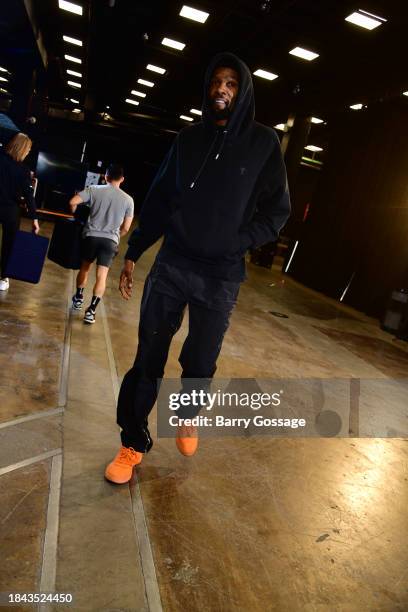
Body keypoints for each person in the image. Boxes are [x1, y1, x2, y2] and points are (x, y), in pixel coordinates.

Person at [105, 52, 291, 484]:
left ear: (242, 91)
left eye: (231, 83)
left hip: (221, 275)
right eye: (216, 82)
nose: (221, 90)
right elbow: (158, 199)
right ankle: (132, 443)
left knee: (200, 361)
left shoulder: (264, 143)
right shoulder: (187, 140)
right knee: (147, 357)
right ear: (207, 88)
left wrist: (238, 242)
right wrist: (134, 251)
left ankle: (187, 415)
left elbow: (276, 212)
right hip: (173, 264)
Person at [69, 164, 134, 324]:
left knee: (85, 268)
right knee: (101, 276)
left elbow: (73, 201)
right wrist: (116, 236)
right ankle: (91, 311)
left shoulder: (94, 189)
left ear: (105, 177)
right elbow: (126, 227)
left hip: (91, 236)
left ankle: (78, 298)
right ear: (122, 179)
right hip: (110, 241)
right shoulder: (128, 200)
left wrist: (74, 212)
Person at [0, 133, 39, 291]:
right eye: (28, 149)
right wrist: (34, 218)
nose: (28, 152)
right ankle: (3, 277)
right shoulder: (24, 170)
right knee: (9, 244)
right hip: (11, 210)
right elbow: (29, 196)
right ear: (22, 149)